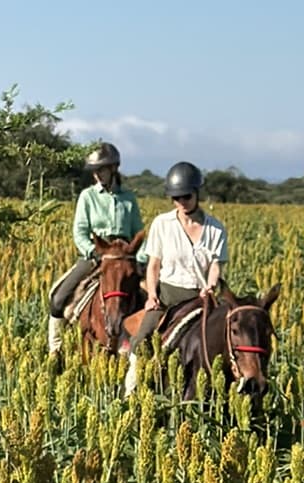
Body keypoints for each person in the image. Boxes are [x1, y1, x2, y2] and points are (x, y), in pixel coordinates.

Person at [48, 142, 143, 353]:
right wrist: (93, 251)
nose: (97, 175)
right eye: (94, 171)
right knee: (59, 297)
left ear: (113, 168)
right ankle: (55, 349)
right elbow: (80, 231)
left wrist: (140, 258)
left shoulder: (128, 199)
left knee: (152, 296)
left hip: (125, 256)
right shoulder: (87, 197)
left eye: (101, 169)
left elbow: (138, 231)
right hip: (96, 253)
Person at [132, 161, 228, 350]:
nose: (182, 202)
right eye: (176, 198)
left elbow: (216, 265)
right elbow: (153, 265)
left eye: (187, 196)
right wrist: (151, 295)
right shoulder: (162, 223)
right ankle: (131, 379)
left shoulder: (215, 228)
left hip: (201, 297)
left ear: (197, 193)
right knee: (140, 342)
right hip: (168, 296)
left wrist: (210, 287)